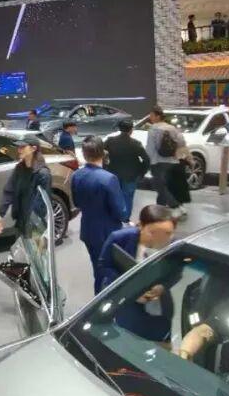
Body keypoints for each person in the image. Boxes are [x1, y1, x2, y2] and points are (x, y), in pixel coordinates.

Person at [94, 205, 178, 341]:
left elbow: (176, 270)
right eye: (153, 233)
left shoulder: (174, 246)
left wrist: (162, 287)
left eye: (167, 233)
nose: (159, 239)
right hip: (126, 307)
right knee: (128, 341)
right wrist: (130, 289)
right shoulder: (119, 238)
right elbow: (104, 265)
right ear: (140, 226)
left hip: (158, 310)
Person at [71, 137, 127, 289]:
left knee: (97, 268)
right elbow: (120, 212)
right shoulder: (109, 179)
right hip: (108, 233)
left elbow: (76, 203)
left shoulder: (76, 175)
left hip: (88, 231)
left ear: (84, 154)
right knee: (109, 272)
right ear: (103, 153)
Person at [0, 136, 54, 238]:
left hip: (34, 226)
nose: (19, 150)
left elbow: (42, 206)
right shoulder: (20, 168)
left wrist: (32, 227)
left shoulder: (43, 174)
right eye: (19, 147)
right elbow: (9, 191)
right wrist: (0, 215)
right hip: (20, 222)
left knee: (34, 247)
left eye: (23, 147)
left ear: (33, 149)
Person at [103, 118, 149, 220]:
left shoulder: (110, 141)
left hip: (113, 173)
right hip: (131, 175)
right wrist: (141, 172)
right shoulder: (136, 143)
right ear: (131, 130)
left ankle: (114, 217)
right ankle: (125, 219)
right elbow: (146, 160)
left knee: (114, 196)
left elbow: (100, 153)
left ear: (119, 129)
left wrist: (105, 167)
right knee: (128, 198)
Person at [145, 107, 185, 213]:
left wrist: (148, 161)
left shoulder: (153, 129)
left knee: (160, 186)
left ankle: (176, 205)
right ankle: (160, 208)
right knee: (167, 185)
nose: (150, 117)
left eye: (152, 115)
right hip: (172, 161)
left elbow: (150, 148)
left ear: (158, 116)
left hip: (157, 162)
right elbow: (181, 143)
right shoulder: (172, 128)